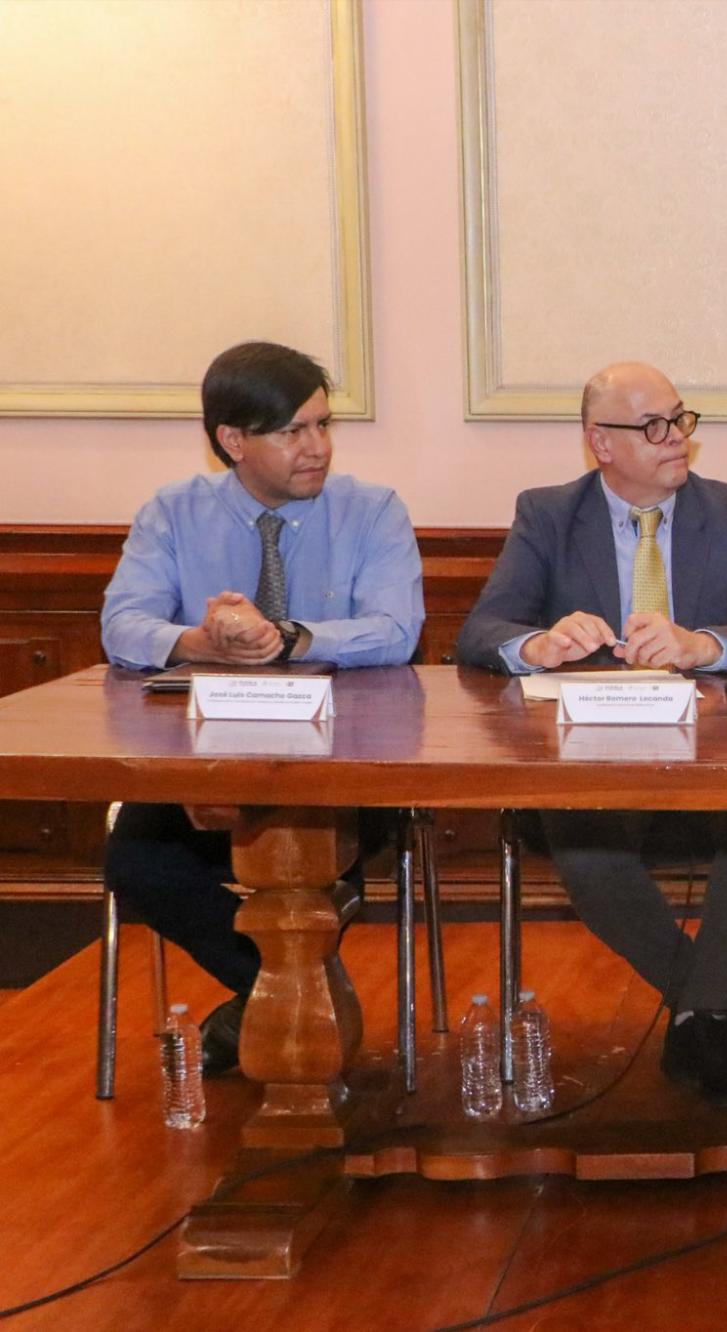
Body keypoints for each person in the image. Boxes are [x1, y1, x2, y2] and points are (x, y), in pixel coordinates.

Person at [456, 361, 727, 1108]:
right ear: (599, 443)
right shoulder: (548, 515)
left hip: (717, 757)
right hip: (595, 759)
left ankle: (703, 1016)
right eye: (652, 427)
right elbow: (482, 629)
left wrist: (701, 645)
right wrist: (538, 644)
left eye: (680, 419)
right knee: (583, 842)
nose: (676, 438)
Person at [100, 340, 424, 1073]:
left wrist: (289, 638)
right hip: (203, 766)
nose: (318, 448)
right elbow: (121, 626)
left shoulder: (371, 513)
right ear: (232, 441)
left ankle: (271, 1000)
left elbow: (397, 630)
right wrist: (201, 638)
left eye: (322, 425)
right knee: (138, 862)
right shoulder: (175, 513)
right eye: (292, 431)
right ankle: (281, 986)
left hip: (342, 769)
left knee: (320, 860)